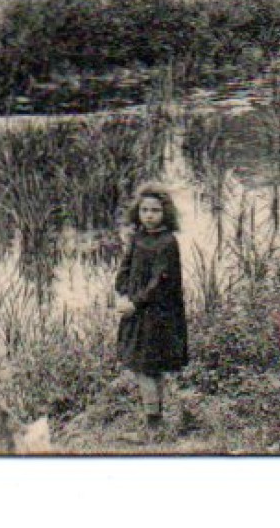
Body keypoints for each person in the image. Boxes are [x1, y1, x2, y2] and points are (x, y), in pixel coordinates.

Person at [114, 184, 188, 436]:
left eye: (155, 210)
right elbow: (125, 268)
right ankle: (155, 422)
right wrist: (122, 292)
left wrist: (135, 303)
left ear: (165, 213)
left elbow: (161, 282)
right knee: (145, 369)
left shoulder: (168, 243)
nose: (149, 215)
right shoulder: (137, 239)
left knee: (147, 369)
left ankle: (153, 427)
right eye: (144, 210)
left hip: (157, 315)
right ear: (138, 212)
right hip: (137, 312)